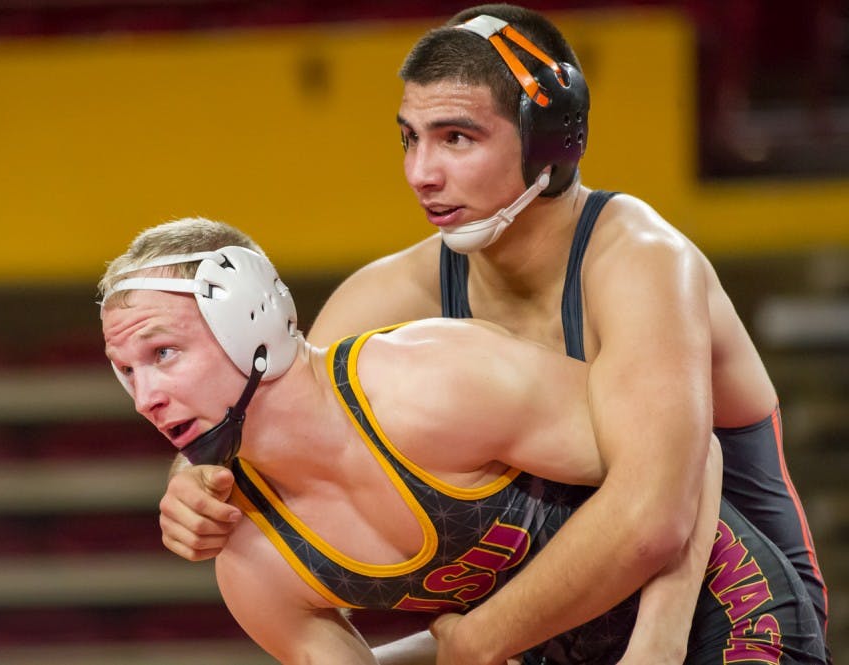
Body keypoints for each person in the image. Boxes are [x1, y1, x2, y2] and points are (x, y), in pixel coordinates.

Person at [158, 5, 831, 662]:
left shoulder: (641, 259)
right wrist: (193, 478)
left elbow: (657, 513)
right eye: (409, 138)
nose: (422, 172)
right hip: (562, 623)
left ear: (551, 139)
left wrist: (486, 636)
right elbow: (270, 405)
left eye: (456, 137)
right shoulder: (394, 290)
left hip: (726, 604)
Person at [99, 217, 826, 665]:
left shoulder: (431, 383)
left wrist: (656, 647)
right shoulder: (253, 560)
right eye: (125, 370)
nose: (145, 395)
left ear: (248, 320)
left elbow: (689, 451)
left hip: (718, 608)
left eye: (162, 354)